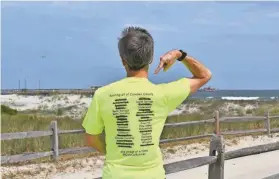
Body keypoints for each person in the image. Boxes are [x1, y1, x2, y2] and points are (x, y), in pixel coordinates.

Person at [82, 26, 212, 179]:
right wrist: (178, 55)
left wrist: (113, 153)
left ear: (123, 60)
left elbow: (91, 139)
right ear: (151, 59)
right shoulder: (163, 94)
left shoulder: (102, 95)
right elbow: (204, 75)